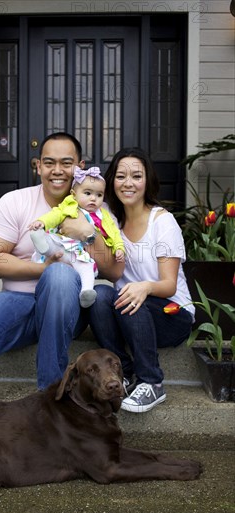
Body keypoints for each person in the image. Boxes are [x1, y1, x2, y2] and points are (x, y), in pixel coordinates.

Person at [0, 132, 124, 410]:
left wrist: (88, 234)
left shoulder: (98, 206)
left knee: (60, 277)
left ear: (80, 166)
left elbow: (115, 270)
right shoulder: (15, 202)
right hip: (18, 303)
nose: (57, 171)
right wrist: (43, 267)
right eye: (49, 163)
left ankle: (50, 398)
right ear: (38, 166)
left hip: (68, 309)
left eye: (66, 163)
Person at [88, 147, 195, 413]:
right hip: (131, 311)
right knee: (100, 296)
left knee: (131, 296)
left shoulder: (163, 221)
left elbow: (169, 284)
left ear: (147, 181)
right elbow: (108, 269)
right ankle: (124, 371)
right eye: (121, 176)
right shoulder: (111, 220)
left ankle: (152, 381)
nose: (128, 183)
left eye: (136, 176)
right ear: (112, 180)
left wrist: (144, 287)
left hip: (172, 313)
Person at [29, 166, 125, 308]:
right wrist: (42, 222)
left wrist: (119, 248)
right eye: (87, 193)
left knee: (87, 267)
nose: (93, 198)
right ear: (74, 195)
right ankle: (41, 242)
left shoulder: (103, 215)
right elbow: (54, 215)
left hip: (80, 253)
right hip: (63, 244)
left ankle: (86, 292)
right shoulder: (69, 206)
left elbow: (114, 233)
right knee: (52, 242)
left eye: (99, 195)